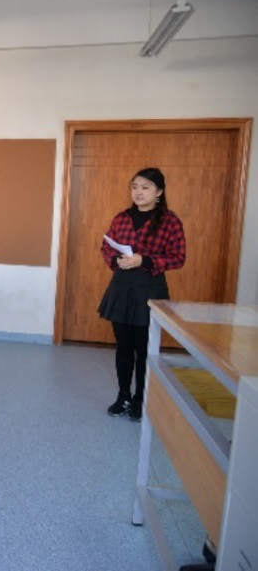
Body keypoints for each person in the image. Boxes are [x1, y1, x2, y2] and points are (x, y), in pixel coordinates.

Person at [98, 167, 186, 422]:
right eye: (135, 187)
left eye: (145, 187)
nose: (138, 192)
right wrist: (116, 259)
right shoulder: (121, 218)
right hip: (122, 287)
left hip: (150, 288)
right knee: (123, 347)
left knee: (144, 348)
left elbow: (178, 258)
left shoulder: (170, 221)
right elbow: (106, 246)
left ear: (159, 192)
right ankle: (123, 395)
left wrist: (143, 260)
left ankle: (140, 399)